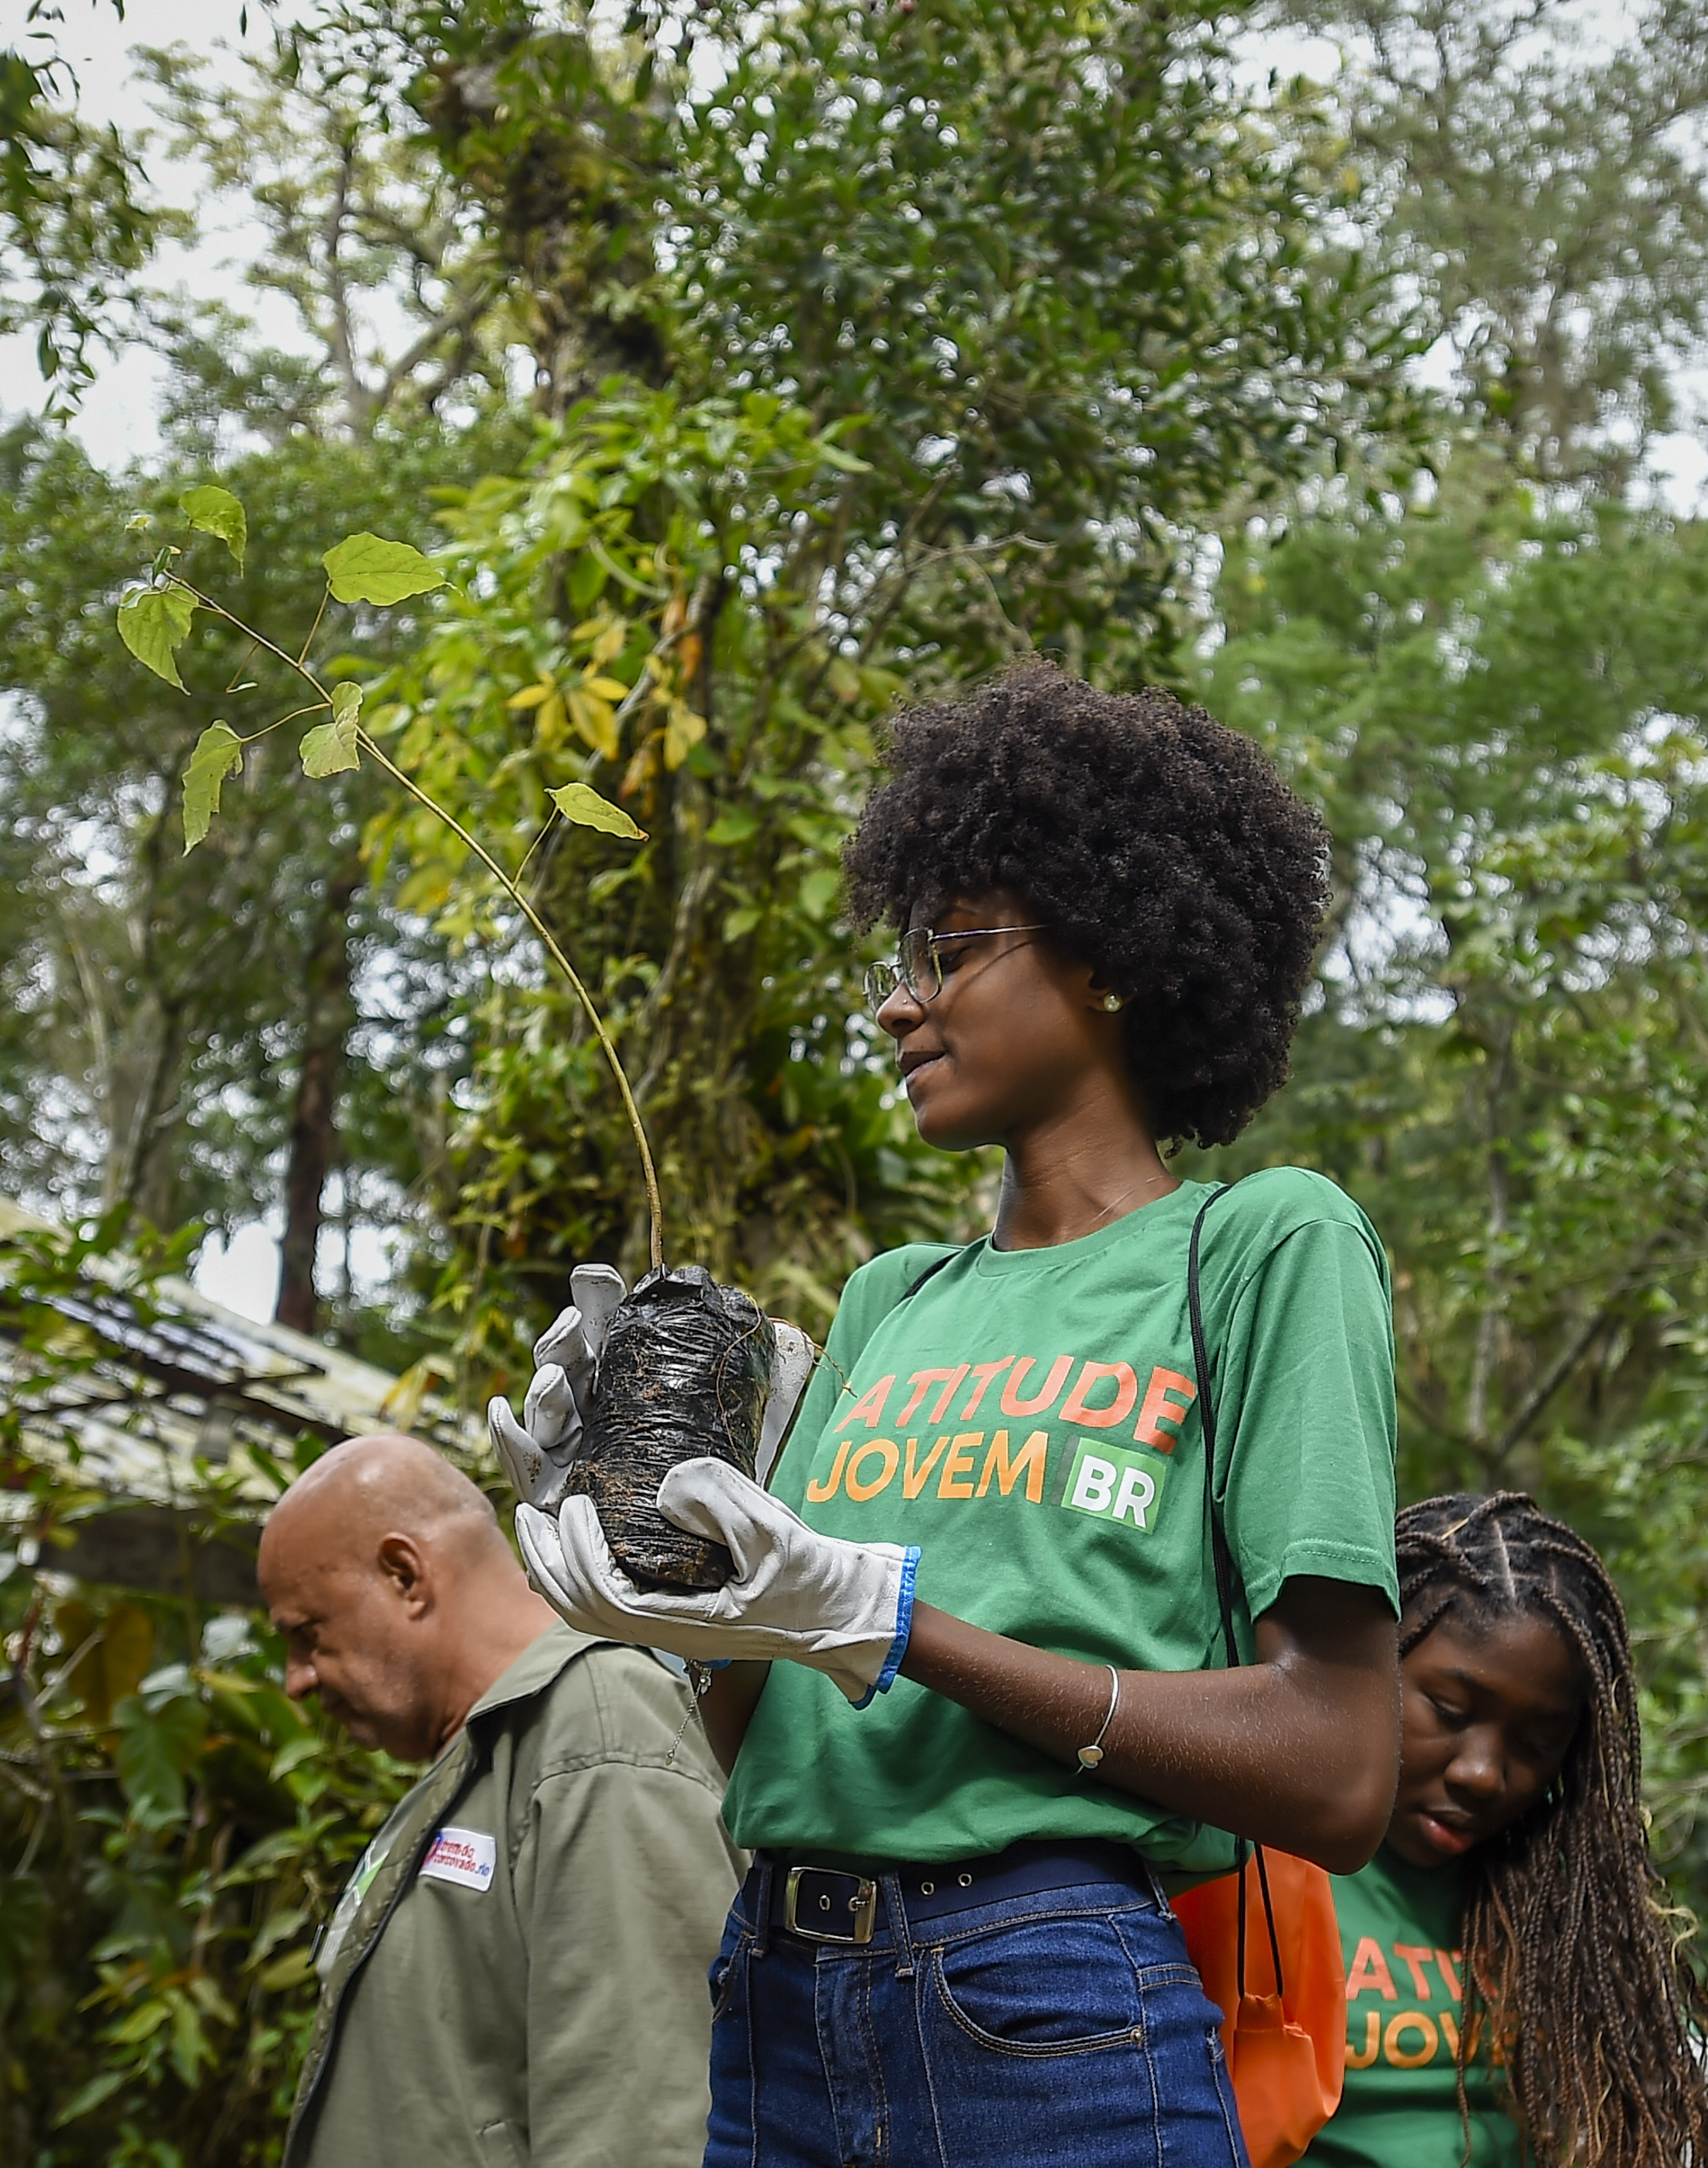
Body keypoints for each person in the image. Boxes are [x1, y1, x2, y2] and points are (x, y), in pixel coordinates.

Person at [498, 665, 1408, 2168]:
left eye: (955, 945)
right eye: (903, 949)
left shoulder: (1258, 1246)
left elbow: (1337, 1763)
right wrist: (667, 1592)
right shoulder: (888, 1302)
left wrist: (897, 1617)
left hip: (1045, 2009)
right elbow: (776, 1736)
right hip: (777, 1993)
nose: (898, 995)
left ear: (1110, 954)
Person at [260, 1431, 742, 2168]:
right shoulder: (494, 1749)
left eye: (306, 1633)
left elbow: (642, 2132)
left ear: (404, 1574)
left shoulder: (597, 1734)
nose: (295, 1678)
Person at [1313, 1492, 1708, 2168]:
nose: (1484, 1774)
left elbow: (1688, 2102)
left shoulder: (1561, 1908)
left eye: (1538, 1739)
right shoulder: (1255, 1861)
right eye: (1450, 1708)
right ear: (1373, 1664)